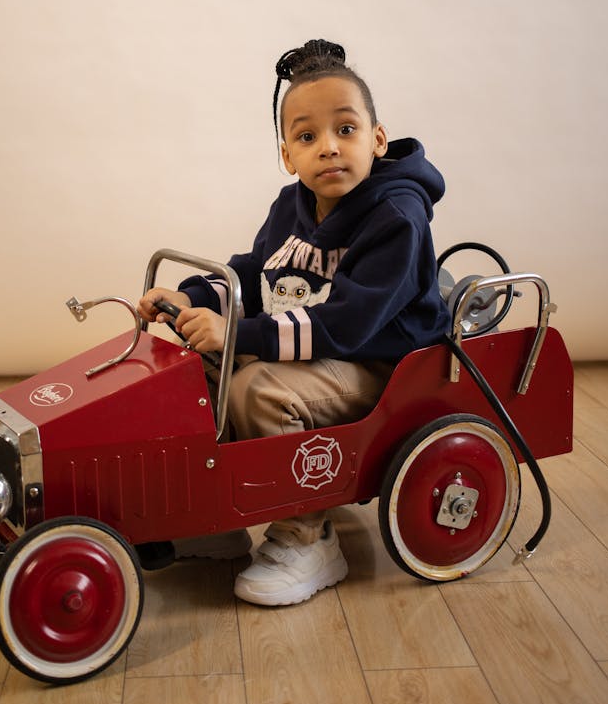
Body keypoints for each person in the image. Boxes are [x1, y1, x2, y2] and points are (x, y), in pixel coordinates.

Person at [138, 38, 450, 606]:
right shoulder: (292, 205)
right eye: (308, 136)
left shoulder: (396, 216)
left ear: (377, 139)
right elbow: (254, 275)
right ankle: (214, 519)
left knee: (257, 388)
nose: (328, 148)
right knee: (196, 370)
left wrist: (241, 335)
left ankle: (310, 536)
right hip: (314, 349)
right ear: (288, 154)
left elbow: (349, 325)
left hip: (383, 364)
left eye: (346, 130)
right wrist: (190, 299)